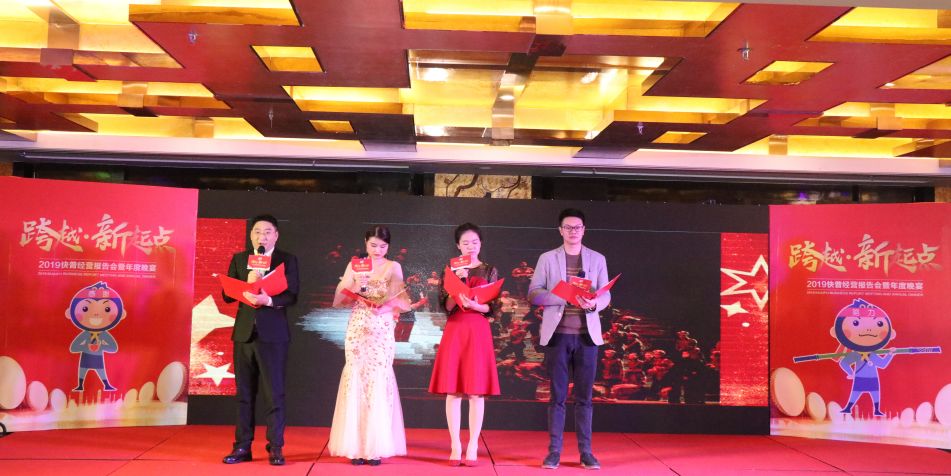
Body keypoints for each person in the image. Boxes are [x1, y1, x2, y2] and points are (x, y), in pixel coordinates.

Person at [528, 208, 611, 470]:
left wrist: (593, 304)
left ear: (584, 230)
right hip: (558, 335)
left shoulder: (597, 258)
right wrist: (563, 296)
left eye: (577, 227)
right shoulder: (547, 258)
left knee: (585, 398)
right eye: (568, 227)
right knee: (558, 397)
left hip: (587, 337)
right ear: (560, 230)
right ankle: (554, 452)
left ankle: (586, 453)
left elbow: (606, 294)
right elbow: (534, 293)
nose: (573, 231)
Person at [328, 226, 411, 466]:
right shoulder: (355, 265)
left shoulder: (393, 267)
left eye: (383, 246)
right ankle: (355, 447)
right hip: (358, 325)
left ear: (388, 247)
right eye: (373, 245)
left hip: (381, 327)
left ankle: (374, 447)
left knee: (377, 379)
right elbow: (340, 299)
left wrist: (384, 306)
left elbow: (402, 300)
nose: (377, 250)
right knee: (356, 377)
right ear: (365, 243)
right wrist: (356, 285)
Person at [221, 214, 299, 466]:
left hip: (273, 336)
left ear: (276, 235)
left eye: (267, 232)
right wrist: (246, 283)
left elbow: (292, 295)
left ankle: (275, 447)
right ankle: (242, 446)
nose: (261, 237)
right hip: (244, 335)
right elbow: (227, 295)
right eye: (257, 232)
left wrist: (269, 300)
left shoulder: (286, 259)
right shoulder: (240, 259)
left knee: (274, 393)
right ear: (251, 235)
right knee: (244, 394)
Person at [428, 223, 501, 466]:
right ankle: (455, 445)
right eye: (466, 243)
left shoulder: (489, 270)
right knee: (454, 390)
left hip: (477, 328)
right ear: (458, 245)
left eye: (475, 242)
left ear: (481, 243)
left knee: (476, 391)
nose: (471, 246)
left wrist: (476, 305)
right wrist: (457, 286)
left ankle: (472, 446)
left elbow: (492, 307)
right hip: (456, 328)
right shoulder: (450, 269)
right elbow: (446, 307)